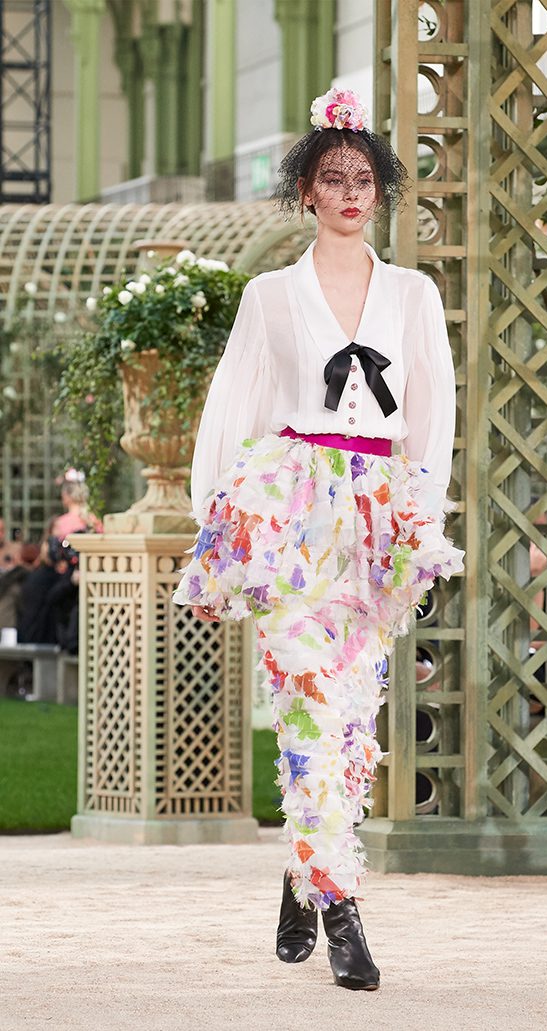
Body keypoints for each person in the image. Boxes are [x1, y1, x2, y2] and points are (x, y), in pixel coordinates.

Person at [172, 86, 464, 992]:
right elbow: (235, 406)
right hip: (289, 511)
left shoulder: (413, 294)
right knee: (305, 705)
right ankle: (341, 908)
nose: (348, 193)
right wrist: (218, 536)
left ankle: (304, 872)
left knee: (350, 717)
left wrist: (422, 521)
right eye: (331, 178)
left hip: (374, 519)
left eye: (362, 179)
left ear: (380, 191)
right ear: (305, 190)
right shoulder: (269, 296)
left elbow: (432, 412)